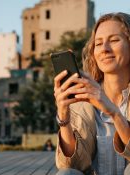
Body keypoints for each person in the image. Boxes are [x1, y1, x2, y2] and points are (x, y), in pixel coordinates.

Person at [54, 12, 130, 175]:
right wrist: (64, 116)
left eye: (114, 40)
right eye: (98, 43)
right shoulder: (82, 101)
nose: (104, 49)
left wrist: (114, 113)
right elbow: (72, 165)